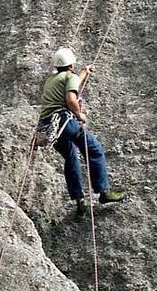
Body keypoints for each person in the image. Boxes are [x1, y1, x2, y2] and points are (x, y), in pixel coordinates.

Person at [39, 47, 126, 213]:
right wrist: (79, 114)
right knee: (94, 149)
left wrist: (84, 73)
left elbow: (71, 84)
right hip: (64, 121)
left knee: (71, 157)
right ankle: (103, 192)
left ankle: (80, 200)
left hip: (50, 126)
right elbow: (71, 98)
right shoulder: (70, 77)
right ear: (71, 64)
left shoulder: (51, 80)